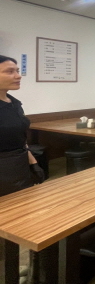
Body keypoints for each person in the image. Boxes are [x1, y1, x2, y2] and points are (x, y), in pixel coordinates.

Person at [0, 55, 44, 197]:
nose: (18, 76)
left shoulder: (15, 104)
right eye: (10, 71)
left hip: (20, 166)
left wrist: (33, 163)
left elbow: (21, 139)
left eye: (17, 71)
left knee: (25, 204)